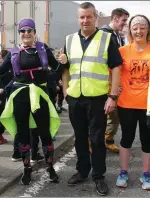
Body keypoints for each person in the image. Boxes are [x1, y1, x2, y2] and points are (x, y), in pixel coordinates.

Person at [0, 18, 61, 185]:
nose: (26, 33)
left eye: (29, 30)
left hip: (40, 94)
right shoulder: (13, 52)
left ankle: (50, 167)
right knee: (23, 133)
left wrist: (63, 62)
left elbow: (56, 68)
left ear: (34, 32)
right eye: (23, 31)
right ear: (19, 34)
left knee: (45, 133)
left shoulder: (43, 48)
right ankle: (27, 169)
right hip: (20, 96)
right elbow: (0, 73)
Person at [60, 2, 122, 196]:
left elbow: (117, 67)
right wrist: (65, 92)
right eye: (82, 17)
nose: (85, 20)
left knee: (96, 139)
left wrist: (112, 96)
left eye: (89, 16)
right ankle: (82, 170)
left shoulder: (106, 38)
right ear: (78, 19)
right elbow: (65, 69)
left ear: (96, 17)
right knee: (79, 137)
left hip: (97, 98)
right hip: (75, 98)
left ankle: (99, 176)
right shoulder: (69, 40)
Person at [115, 15, 150, 190]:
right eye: (135, 27)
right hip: (126, 103)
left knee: (147, 140)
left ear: (148, 29)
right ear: (130, 30)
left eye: (142, 27)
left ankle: (146, 173)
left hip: (148, 106)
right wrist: (113, 89)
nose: (139, 31)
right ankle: (123, 172)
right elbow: (112, 73)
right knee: (126, 138)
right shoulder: (122, 51)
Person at [100, 8, 130, 153]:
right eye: (124, 20)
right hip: (104, 81)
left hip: (115, 81)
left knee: (114, 114)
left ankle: (108, 140)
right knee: (103, 113)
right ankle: (94, 141)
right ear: (115, 18)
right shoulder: (103, 34)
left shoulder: (117, 35)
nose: (125, 24)